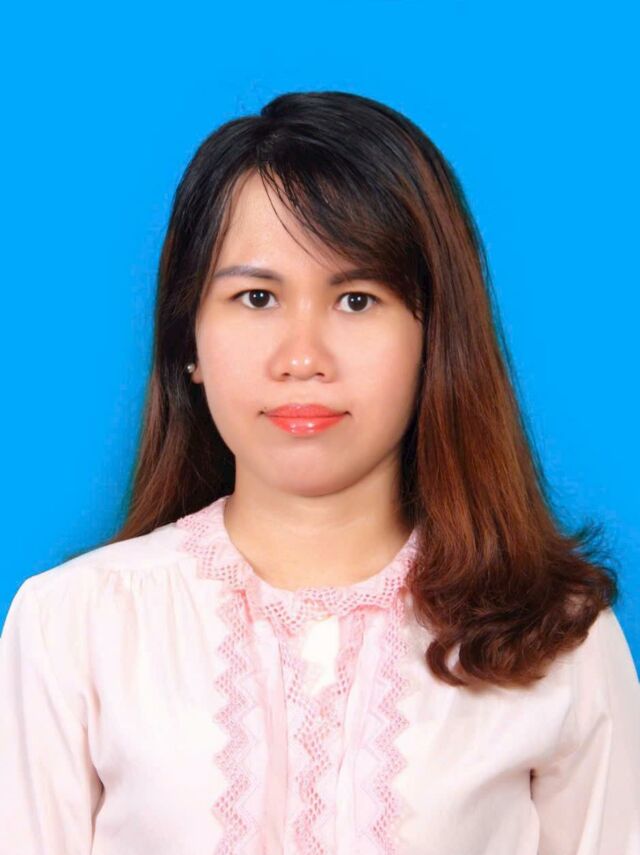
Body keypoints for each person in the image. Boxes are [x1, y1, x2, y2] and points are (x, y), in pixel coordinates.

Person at [1, 91, 638, 855]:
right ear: (188, 340)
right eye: (257, 297)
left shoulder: (558, 638)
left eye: (357, 299)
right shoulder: (73, 626)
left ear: (434, 338)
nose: (302, 357)